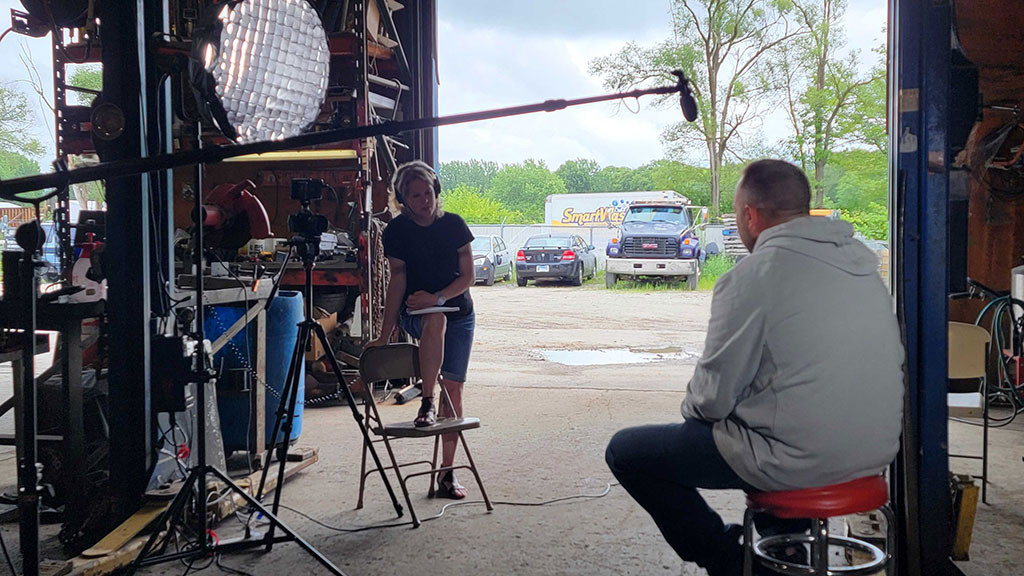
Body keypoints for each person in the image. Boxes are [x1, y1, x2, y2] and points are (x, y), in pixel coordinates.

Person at [605, 159, 904, 576]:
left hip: (801, 460)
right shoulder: (862, 268)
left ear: (749, 214)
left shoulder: (754, 277)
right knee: (776, 421)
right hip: (873, 452)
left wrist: (706, 413)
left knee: (628, 451)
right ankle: (786, 551)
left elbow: (710, 400)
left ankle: (728, 560)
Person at [366, 160, 476, 499]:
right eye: (415, 196)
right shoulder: (396, 232)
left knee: (455, 389)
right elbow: (396, 280)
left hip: (459, 311)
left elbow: (468, 277)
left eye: (427, 193)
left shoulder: (455, 225)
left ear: (436, 192)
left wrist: (439, 296)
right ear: (403, 199)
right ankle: (426, 400)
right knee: (433, 320)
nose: (424, 201)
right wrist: (384, 334)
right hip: (417, 313)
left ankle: (447, 472)